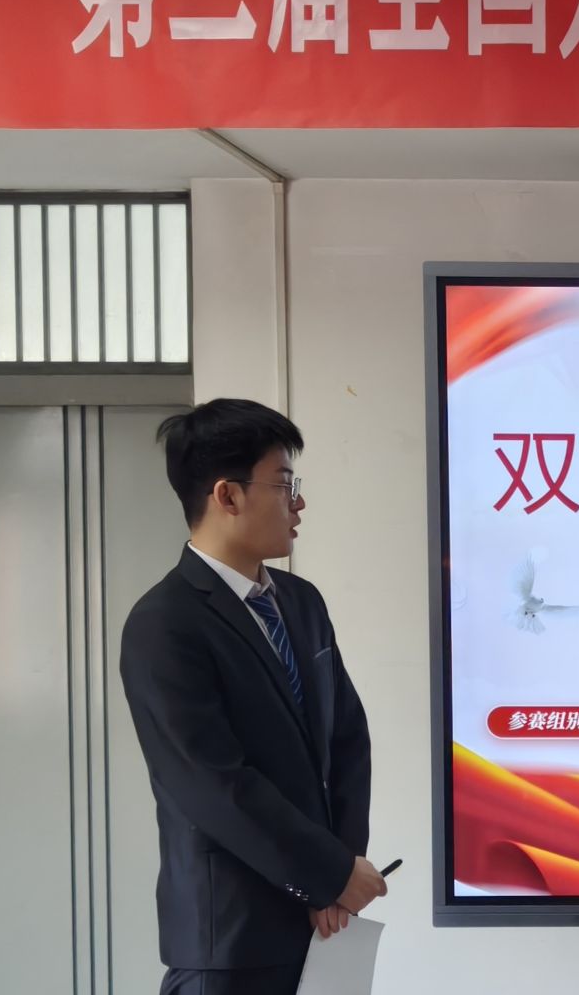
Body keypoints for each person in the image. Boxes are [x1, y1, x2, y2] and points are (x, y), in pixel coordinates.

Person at [119, 399, 385, 995]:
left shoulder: (301, 602)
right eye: (284, 484)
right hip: (231, 938)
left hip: (324, 926)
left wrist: (340, 873)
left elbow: (347, 738)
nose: (298, 503)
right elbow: (213, 783)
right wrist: (326, 873)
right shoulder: (164, 623)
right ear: (228, 495)